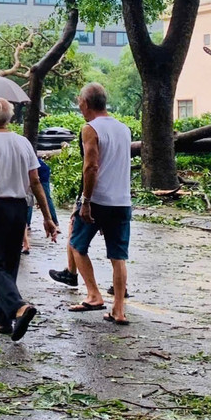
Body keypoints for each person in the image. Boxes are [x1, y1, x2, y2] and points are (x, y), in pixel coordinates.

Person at [0, 98, 58, 342]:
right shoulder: (23, 143)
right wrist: (47, 217)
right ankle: (2, 320)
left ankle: (19, 307)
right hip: (19, 209)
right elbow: (36, 181)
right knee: (8, 264)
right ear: (10, 119)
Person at [64, 83, 134, 324]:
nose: (79, 108)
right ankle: (119, 309)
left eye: (79, 103)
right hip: (122, 200)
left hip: (98, 200)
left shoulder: (90, 128)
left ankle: (93, 294)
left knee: (76, 244)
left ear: (85, 103)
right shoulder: (124, 129)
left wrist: (86, 201)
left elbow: (91, 166)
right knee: (118, 256)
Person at [22, 151, 59, 255]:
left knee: (45, 198)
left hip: (40, 174)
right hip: (31, 176)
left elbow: (34, 182)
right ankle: (27, 226)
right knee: (27, 201)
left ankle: (55, 223)